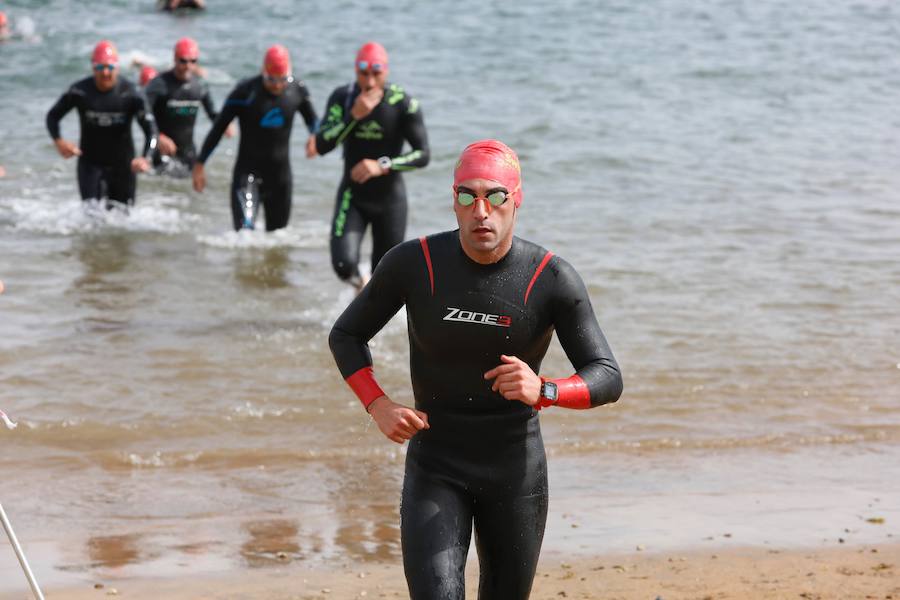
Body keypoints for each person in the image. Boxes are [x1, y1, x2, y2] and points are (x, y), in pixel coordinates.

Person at [329, 140, 623, 599]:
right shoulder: (414, 263)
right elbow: (346, 336)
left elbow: (606, 375)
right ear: (454, 201)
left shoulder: (549, 276)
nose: (481, 210)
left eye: (495, 196)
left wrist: (544, 389)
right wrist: (378, 403)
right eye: (467, 196)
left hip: (515, 469)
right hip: (435, 463)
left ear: (516, 199)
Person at [311, 42, 429, 291]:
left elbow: (423, 154)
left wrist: (383, 165)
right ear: (356, 71)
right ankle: (359, 287)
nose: (370, 81)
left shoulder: (402, 103)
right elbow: (322, 145)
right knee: (343, 266)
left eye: (376, 73)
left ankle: (369, 321)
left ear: (386, 71)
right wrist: (353, 116)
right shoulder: (343, 98)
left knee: (385, 276)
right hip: (353, 197)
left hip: (390, 200)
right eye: (364, 73)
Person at [193, 45, 317, 231]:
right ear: (262, 71)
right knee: (244, 234)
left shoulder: (297, 90)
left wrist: (315, 137)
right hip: (247, 174)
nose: (276, 85)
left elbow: (313, 121)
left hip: (280, 178)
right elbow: (218, 128)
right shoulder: (245, 92)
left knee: (278, 238)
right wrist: (200, 164)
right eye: (271, 79)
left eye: (282, 80)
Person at [46, 40, 157, 207]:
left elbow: (151, 130)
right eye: (100, 68)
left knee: (123, 220)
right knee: (91, 219)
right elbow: (52, 117)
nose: (105, 73)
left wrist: (145, 158)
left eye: (110, 67)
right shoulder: (79, 92)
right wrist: (59, 142)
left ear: (117, 67)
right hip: (90, 165)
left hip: (123, 167)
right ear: (93, 67)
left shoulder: (132, 93)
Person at [144, 37, 227, 177]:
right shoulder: (159, 84)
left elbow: (213, 114)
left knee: (189, 194)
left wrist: (225, 123)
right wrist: (158, 137)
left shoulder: (199, 86)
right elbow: (143, 114)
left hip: (188, 152)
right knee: (162, 193)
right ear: (175, 59)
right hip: (162, 151)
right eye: (183, 61)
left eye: (192, 61)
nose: (187, 66)